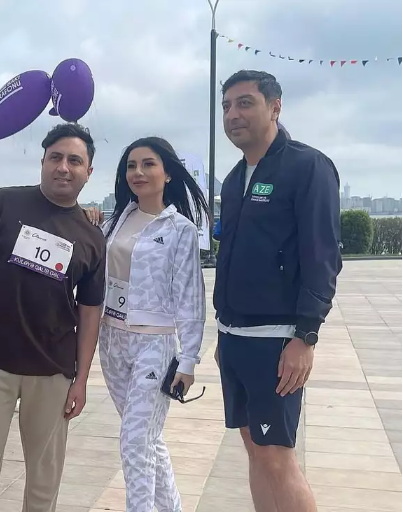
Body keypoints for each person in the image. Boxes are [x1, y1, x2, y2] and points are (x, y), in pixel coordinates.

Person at [0, 123, 106, 513]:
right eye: (56, 157)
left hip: (53, 370)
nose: (64, 167)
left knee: (44, 475)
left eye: (75, 161)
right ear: (43, 161)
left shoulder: (91, 237)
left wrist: (81, 379)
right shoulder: (3, 203)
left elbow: (90, 311)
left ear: (89, 171)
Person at [214, 70, 341, 513]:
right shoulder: (234, 180)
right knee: (255, 450)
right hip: (234, 337)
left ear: (275, 107)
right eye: (226, 106)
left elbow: (323, 257)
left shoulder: (307, 167)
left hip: (276, 340)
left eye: (245, 103)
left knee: (277, 458)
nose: (233, 114)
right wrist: (224, 335)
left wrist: (305, 336)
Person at [99, 137, 207, 513]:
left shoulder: (180, 229)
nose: (138, 172)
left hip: (154, 345)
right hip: (111, 340)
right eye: (131, 165)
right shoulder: (114, 222)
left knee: (134, 441)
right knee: (147, 439)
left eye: (148, 164)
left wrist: (188, 360)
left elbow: (190, 297)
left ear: (168, 173)